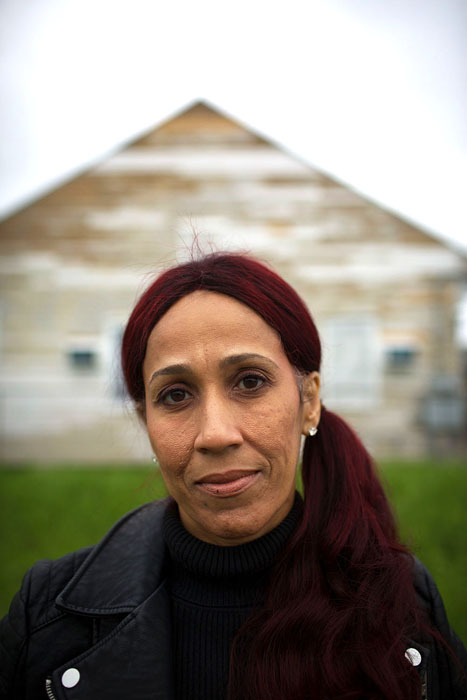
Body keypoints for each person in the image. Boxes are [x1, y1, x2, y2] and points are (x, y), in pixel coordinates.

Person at [0, 252, 466, 700]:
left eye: (250, 381)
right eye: (176, 395)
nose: (215, 434)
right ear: (147, 422)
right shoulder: (48, 613)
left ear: (309, 400)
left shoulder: (399, 596)